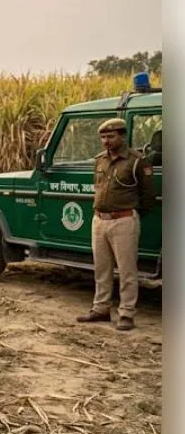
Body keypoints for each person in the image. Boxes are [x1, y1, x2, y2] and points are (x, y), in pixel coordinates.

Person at [76, 117, 156, 331]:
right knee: (101, 269)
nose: (106, 141)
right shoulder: (100, 160)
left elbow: (148, 196)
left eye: (110, 136)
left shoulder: (137, 161)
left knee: (127, 270)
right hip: (100, 221)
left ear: (122, 136)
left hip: (124, 221)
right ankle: (100, 309)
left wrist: (130, 215)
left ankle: (126, 313)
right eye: (103, 137)